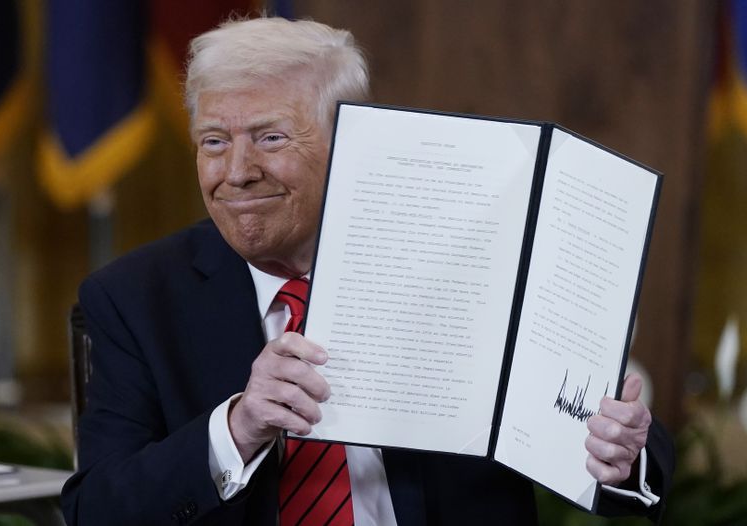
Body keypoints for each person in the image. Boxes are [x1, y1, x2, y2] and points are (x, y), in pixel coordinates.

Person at [61, 16, 673, 525]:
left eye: (271, 138)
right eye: (214, 141)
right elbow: (96, 510)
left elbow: (608, 443)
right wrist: (239, 427)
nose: (237, 171)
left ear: (354, 139)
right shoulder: (132, 299)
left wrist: (621, 450)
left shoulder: (469, 263)